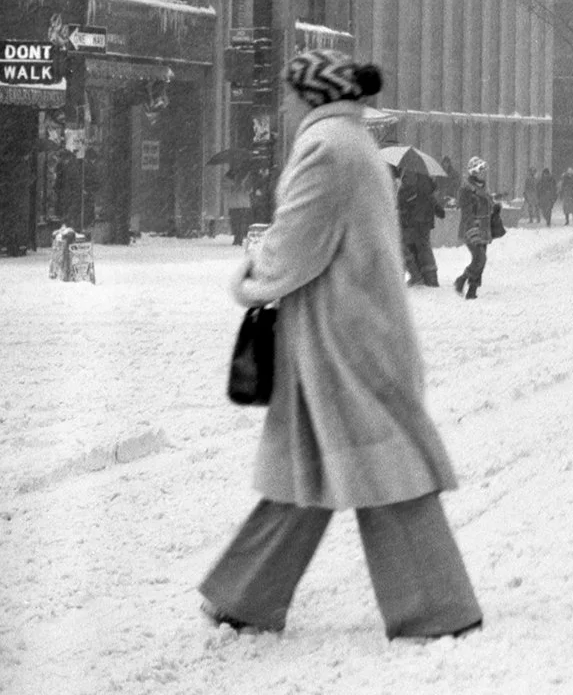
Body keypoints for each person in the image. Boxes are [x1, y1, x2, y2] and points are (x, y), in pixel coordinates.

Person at [199, 53, 481, 640]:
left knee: (383, 472)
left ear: (311, 96)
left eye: (288, 93)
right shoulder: (354, 144)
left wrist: (252, 272)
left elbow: (296, 245)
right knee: (317, 466)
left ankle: (437, 608)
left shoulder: (326, 149)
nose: (281, 105)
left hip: (341, 341)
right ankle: (246, 596)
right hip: (354, 332)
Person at [451, 161, 497, 300]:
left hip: (483, 228)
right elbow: (467, 213)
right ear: (474, 172)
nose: (484, 174)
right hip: (471, 228)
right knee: (480, 258)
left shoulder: (484, 188)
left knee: (480, 261)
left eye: (485, 171)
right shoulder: (466, 189)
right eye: (481, 171)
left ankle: (472, 290)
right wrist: (472, 230)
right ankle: (461, 279)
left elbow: (487, 205)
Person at [396, 167, 443, 288]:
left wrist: (399, 202)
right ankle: (430, 278)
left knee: (405, 247)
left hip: (412, 221)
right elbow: (430, 197)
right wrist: (438, 210)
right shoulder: (424, 179)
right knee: (423, 247)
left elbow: (404, 199)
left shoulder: (408, 175)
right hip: (425, 221)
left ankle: (416, 276)